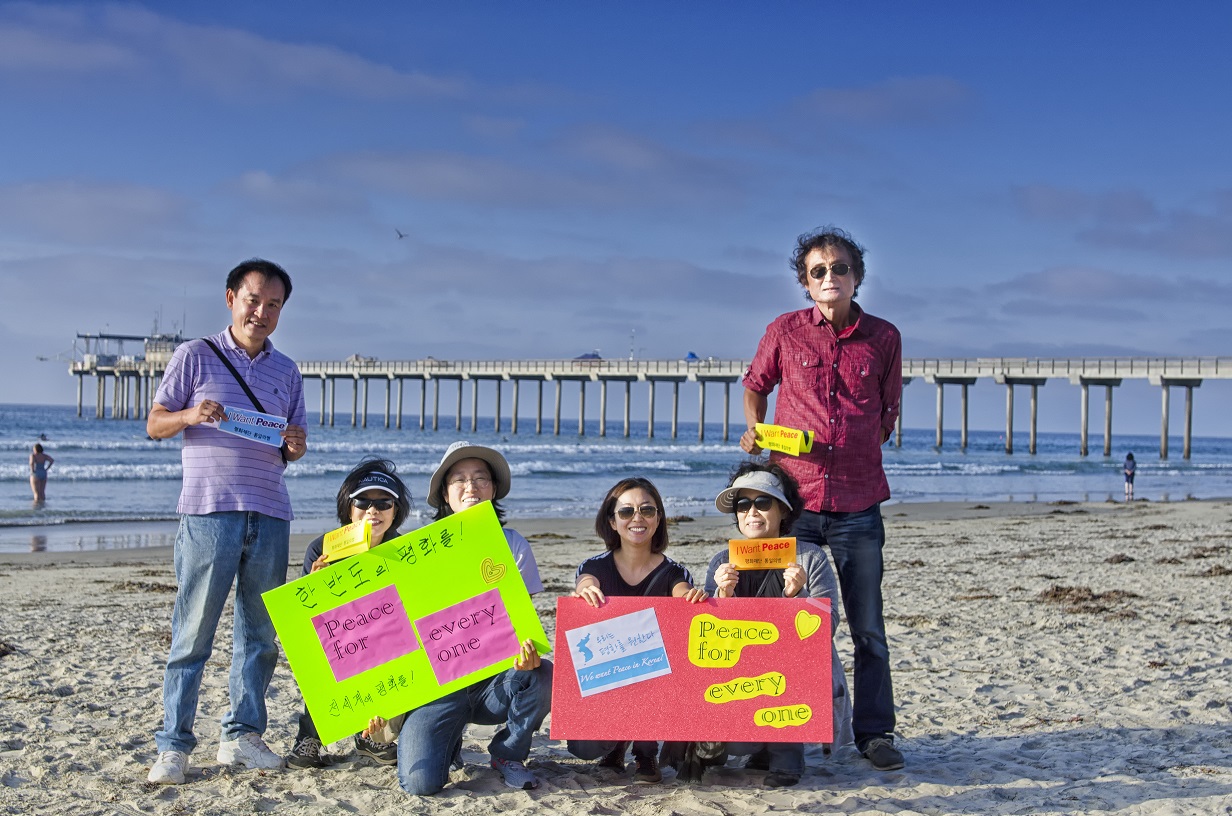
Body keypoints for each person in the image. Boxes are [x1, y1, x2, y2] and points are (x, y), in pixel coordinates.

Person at [740, 226, 904, 771]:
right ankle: (772, 730)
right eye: (818, 271)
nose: (829, 277)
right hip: (796, 503)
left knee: (867, 628)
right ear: (804, 282)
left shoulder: (884, 337)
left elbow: (886, 413)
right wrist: (756, 429)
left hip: (859, 503)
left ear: (857, 277)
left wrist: (852, 445)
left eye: (839, 269)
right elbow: (755, 383)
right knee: (778, 619)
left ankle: (875, 734)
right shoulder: (783, 332)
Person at [146, 259, 308, 785]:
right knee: (192, 633)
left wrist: (297, 445)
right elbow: (155, 425)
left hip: (270, 511)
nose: (262, 312)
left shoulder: (287, 370)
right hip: (209, 510)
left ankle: (242, 737)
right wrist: (191, 415)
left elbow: (294, 442)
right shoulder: (195, 355)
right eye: (253, 299)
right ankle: (173, 746)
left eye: (274, 304)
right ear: (231, 297)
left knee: (259, 635)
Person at [395, 441, 551, 794]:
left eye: (481, 478)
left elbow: (518, 619)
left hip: (493, 683)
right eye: (460, 479)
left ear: (493, 489)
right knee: (420, 784)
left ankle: (508, 754)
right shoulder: (417, 550)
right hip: (438, 688)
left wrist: (524, 654)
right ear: (444, 493)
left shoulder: (512, 545)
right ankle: (447, 743)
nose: (471, 487)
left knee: (542, 676)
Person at [703, 461, 855, 787]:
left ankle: (788, 755)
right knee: (737, 745)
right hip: (742, 672)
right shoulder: (721, 561)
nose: (752, 512)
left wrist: (798, 597)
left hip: (794, 671)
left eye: (763, 502)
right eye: (743, 504)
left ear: (784, 511)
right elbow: (705, 639)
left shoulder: (810, 557)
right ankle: (760, 747)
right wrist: (722, 595)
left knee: (785, 667)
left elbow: (827, 626)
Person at [568, 477, 708, 784]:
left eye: (647, 510)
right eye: (626, 511)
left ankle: (646, 752)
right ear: (612, 521)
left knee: (657, 663)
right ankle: (616, 745)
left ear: (658, 519)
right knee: (582, 746)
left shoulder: (674, 570)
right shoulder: (595, 566)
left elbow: (681, 590)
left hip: (654, 676)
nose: (637, 518)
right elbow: (586, 581)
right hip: (610, 674)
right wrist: (586, 590)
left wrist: (690, 598)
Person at [288, 459, 412, 769]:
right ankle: (310, 735)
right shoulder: (324, 550)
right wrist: (314, 590)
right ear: (348, 507)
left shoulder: (405, 550)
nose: (373, 510)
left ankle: (369, 736)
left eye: (384, 502)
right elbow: (304, 621)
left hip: (388, 640)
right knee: (322, 649)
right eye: (363, 502)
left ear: (396, 511)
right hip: (341, 641)